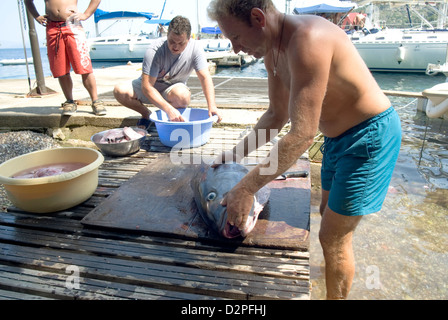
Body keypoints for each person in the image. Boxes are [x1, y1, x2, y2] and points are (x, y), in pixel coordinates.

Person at [208, 0, 401, 299]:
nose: (235, 49)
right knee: (326, 213)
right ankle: (333, 279)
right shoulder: (273, 50)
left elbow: (300, 136)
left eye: (236, 38)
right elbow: (275, 116)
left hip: (369, 135)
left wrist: (246, 188)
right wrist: (233, 156)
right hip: (336, 139)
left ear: (258, 18)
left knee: (334, 237)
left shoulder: (309, 39)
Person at [114, 16, 222, 127]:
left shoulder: (195, 49)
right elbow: (147, 87)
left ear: (189, 38)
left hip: (172, 90)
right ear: (167, 35)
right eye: (172, 41)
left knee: (183, 96)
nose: (175, 47)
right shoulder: (154, 50)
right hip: (149, 88)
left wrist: (212, 106)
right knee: (120, 91)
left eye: (181, 43)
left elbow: (205, 77)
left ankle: (174, 120)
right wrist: (168, 109)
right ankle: (146, 115)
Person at [25, 0, 106, 116]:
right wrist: (36, 16)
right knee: (60, 69)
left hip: (72, 25)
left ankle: (95, 101)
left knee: (84, 66)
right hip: (52, 28)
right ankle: (69, 101)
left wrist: (86, 14)